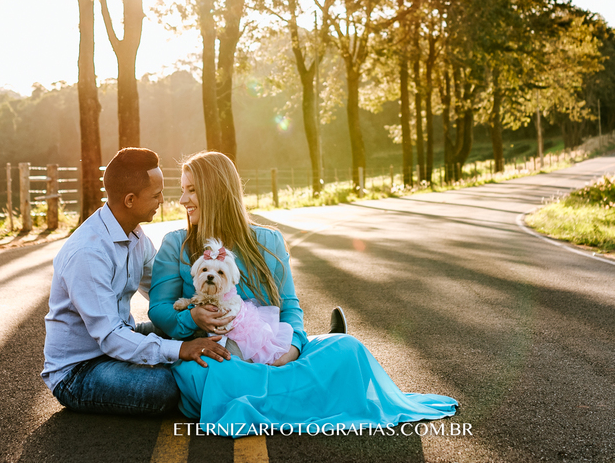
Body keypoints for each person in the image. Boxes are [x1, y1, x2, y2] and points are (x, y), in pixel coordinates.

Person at [149, 150, 458, 431]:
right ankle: (310, 394)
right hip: (217, 360)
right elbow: (160, 310)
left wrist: (294, 348)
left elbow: (290, 306)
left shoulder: (268, 241)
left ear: (216, 193)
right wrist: (193, 318)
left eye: (191, 190)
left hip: (271, 350)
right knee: (220, 377)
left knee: (347, 349)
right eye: (182, 190)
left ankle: (281, 390)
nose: (182, 200)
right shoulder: (175, 245)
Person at [42, 147, 230, 415]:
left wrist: (199, 313)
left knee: (186, 329)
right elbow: (109, 337)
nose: (164, 200)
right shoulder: (88, 253)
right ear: (130, 200)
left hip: (121, 335)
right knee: (165, 386)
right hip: (80, 369)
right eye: (156, 195)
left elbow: (162, 289)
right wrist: (182, 349)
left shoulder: (136, 236)